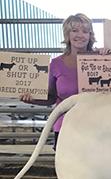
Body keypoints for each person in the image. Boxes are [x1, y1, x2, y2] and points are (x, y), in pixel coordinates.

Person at [20, 13, 102, 147]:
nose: (80, 35)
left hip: (97, 127)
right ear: (67, 35)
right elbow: (51, 98)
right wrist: (32, 99)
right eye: (74, 30)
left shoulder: (103, 60)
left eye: (85, 31)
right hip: (65, 128)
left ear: (90, 35)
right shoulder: (56, 64)